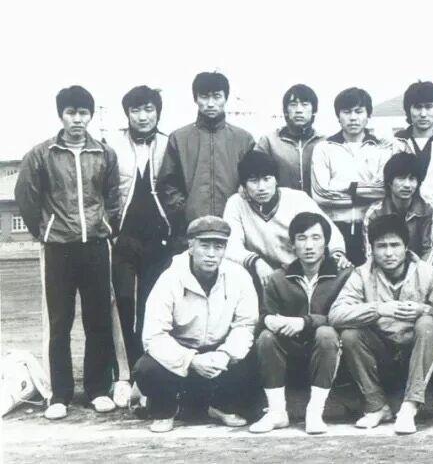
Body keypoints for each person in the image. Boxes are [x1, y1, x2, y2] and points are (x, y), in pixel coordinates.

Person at [15, 86, 124, 419]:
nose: (78, 119)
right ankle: (59, 395)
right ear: (61, 115)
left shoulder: (104, 153)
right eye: (71, 113)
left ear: (90, 115)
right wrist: (45, 231)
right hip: (58, 248)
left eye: (83, 113)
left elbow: (113, 197)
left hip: (95, 247)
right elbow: (26, 196)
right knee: (59, 322)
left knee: (98, 319)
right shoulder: (42, 154)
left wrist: (106, 226)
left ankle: (97, 390)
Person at [135, 216, 258, 433]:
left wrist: (225, 354)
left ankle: (220, 406)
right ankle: (164, 410)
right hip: (181, 356)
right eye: (204, 245)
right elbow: (154, 336)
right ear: (191, 246)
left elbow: (245, 324)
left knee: (254, 356)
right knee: (146, 368)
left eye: (218, 246)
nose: (211, 254)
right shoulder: (170, 278)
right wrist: (191, 360)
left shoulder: (239, 276)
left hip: (218, 354)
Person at [330, 214, 433, 435]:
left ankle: (410, 406)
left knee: (428, 323)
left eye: (395, 245)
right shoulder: (361, 274)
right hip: (380, 355)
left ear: (406, 247)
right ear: (371, 249)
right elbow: (335, 314)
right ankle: (377, 406)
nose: (389, 253)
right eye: (381, 246)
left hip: (417, 355)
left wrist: (423, 310)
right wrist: (378, 309)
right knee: (351, 334)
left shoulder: (427, 273)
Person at [249, 213, 351, 435]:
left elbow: (344, 316)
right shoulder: (279, 277)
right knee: (266, 337)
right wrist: (271, 320)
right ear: (292, 244)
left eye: (316, 238)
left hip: (330, 353)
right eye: (302, 238)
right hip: (291, 353)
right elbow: (265, 314)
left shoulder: (344, 274)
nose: (309, 245)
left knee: (326, 333)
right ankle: (277, 412)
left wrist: (304, 322)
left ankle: (314, 412)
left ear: (326, 242)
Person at [110, 86, 175, 405]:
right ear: (127, 114)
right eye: (136, 110)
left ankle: (149, 376)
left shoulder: (170, 143)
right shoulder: (112, 144)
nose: (143, 116)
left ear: (158, 112)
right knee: (122, 301)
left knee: (152, 306)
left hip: (158, 238)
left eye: (149, 109)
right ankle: (124, 376)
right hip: (123, 237)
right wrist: (110, 227)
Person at [223, 150, 349, 291]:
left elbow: (329, 230)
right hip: (260, 275)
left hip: (299, 272)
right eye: (253, 181)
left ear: (276, 180)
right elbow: (231, 246)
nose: (261, 187)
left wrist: (337, 254)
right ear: (243, 185)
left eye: (267, 179)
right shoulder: (236, 203)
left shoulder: (297, 198)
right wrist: (256, 262)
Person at [310, 87, 399, 265]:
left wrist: (344, 187)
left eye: (359, 111)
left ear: (368, 115)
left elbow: (383, 190)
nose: (353, 117)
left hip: (373, 227)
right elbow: (321, 194)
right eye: (347, 112)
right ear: (338, 116)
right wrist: (363, 191)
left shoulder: (382, 148)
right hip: (333, 228)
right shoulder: (323, 148)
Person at [159, 71, 255, 229]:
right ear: (195, 99)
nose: (210, 104)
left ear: (225, 98)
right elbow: (168, 184)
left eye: (217, 96)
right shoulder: (179, 138)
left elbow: (252, 181)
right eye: (204, 97)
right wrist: (185, 211)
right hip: (191, 228)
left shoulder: (244, 139)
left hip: (235, 226)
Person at [362, 152, 433, 262]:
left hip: (420, 268)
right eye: (401, 178)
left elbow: (430, 250)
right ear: (389, 182)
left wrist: (419, 270)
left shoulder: (428, 210)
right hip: (385, 267)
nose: (407, 185)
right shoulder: (375, 213)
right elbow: (371, 255)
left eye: (412, 179)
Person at [255, 84, 324, 194]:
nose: (299, 110)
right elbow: (254, 175)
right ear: (285, 111)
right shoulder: (269, 141)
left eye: (305, 104)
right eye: (293, 105)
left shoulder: (325, 142)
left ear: (314, 110)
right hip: (281, 203)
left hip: (316, 204)